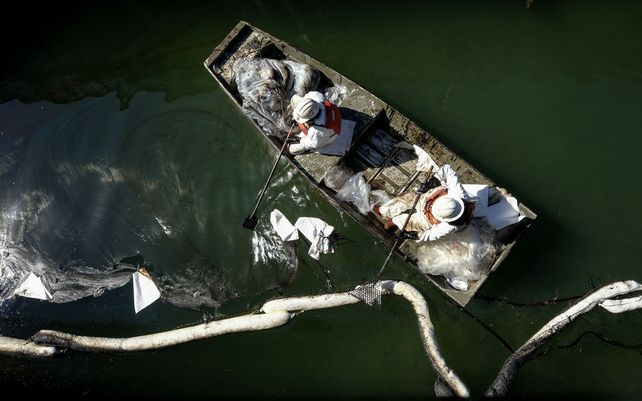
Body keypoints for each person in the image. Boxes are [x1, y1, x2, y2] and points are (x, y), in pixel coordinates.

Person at [375, 164, 474, 242]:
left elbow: (430, 235)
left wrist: (412, 235)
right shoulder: (458, 193)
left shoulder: (450, 226)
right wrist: (430, 185)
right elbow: (447, 169)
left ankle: (387, 229)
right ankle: (379, 211)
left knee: (396, 221)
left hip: (425, 220)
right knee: (388, 209)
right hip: (427, 198)